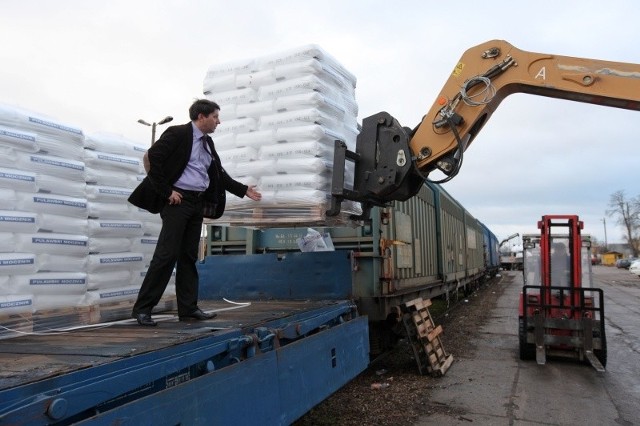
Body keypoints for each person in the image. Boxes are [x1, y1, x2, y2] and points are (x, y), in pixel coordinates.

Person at [128, 99, 261, 326]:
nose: (218, 122)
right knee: (166, 254)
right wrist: (166, 191)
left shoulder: (208, 144)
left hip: (195, 203)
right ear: (201, 116)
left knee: (189, 257)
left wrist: (242, 189)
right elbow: (151, 159)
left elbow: (218, 173)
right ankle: (143, 309)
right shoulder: (178, 133)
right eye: (215, 117)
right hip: (177, 202)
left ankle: (188, 310)